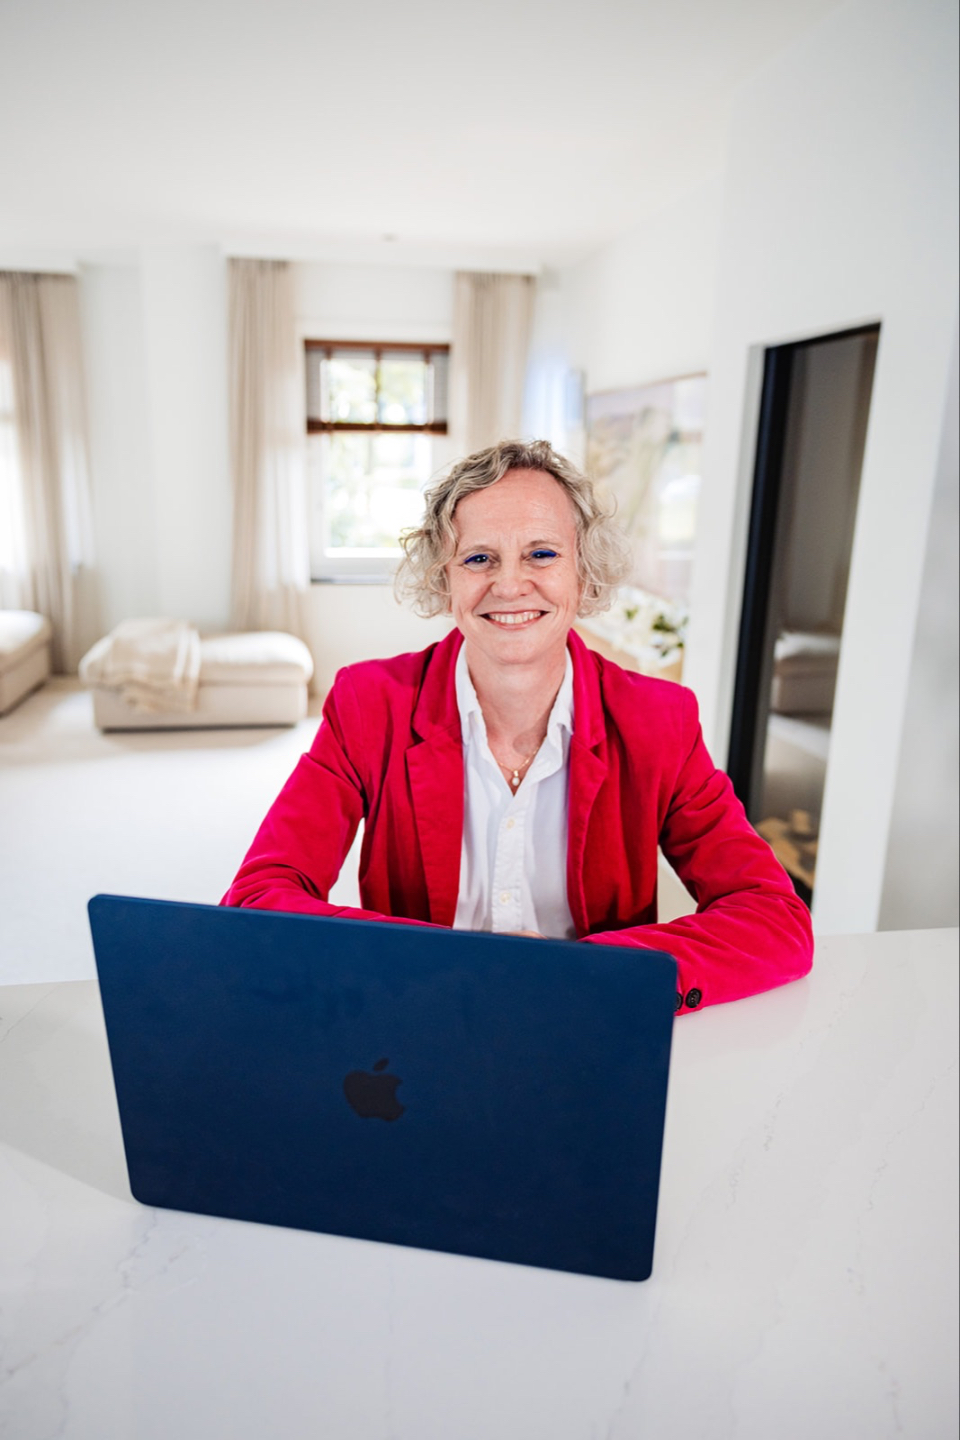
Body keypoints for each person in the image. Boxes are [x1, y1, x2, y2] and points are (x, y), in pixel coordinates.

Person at [223, 439, 813, 1013]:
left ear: (584, 574)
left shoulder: (659, 720)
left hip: (585, 1025)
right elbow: (258, 898)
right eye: (478, 558)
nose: (509, 584)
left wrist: (584, 974)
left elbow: (773, 919)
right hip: (418, 1023)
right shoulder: (367, 705)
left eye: (542, 553)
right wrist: (447, 966)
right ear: (444, 579)